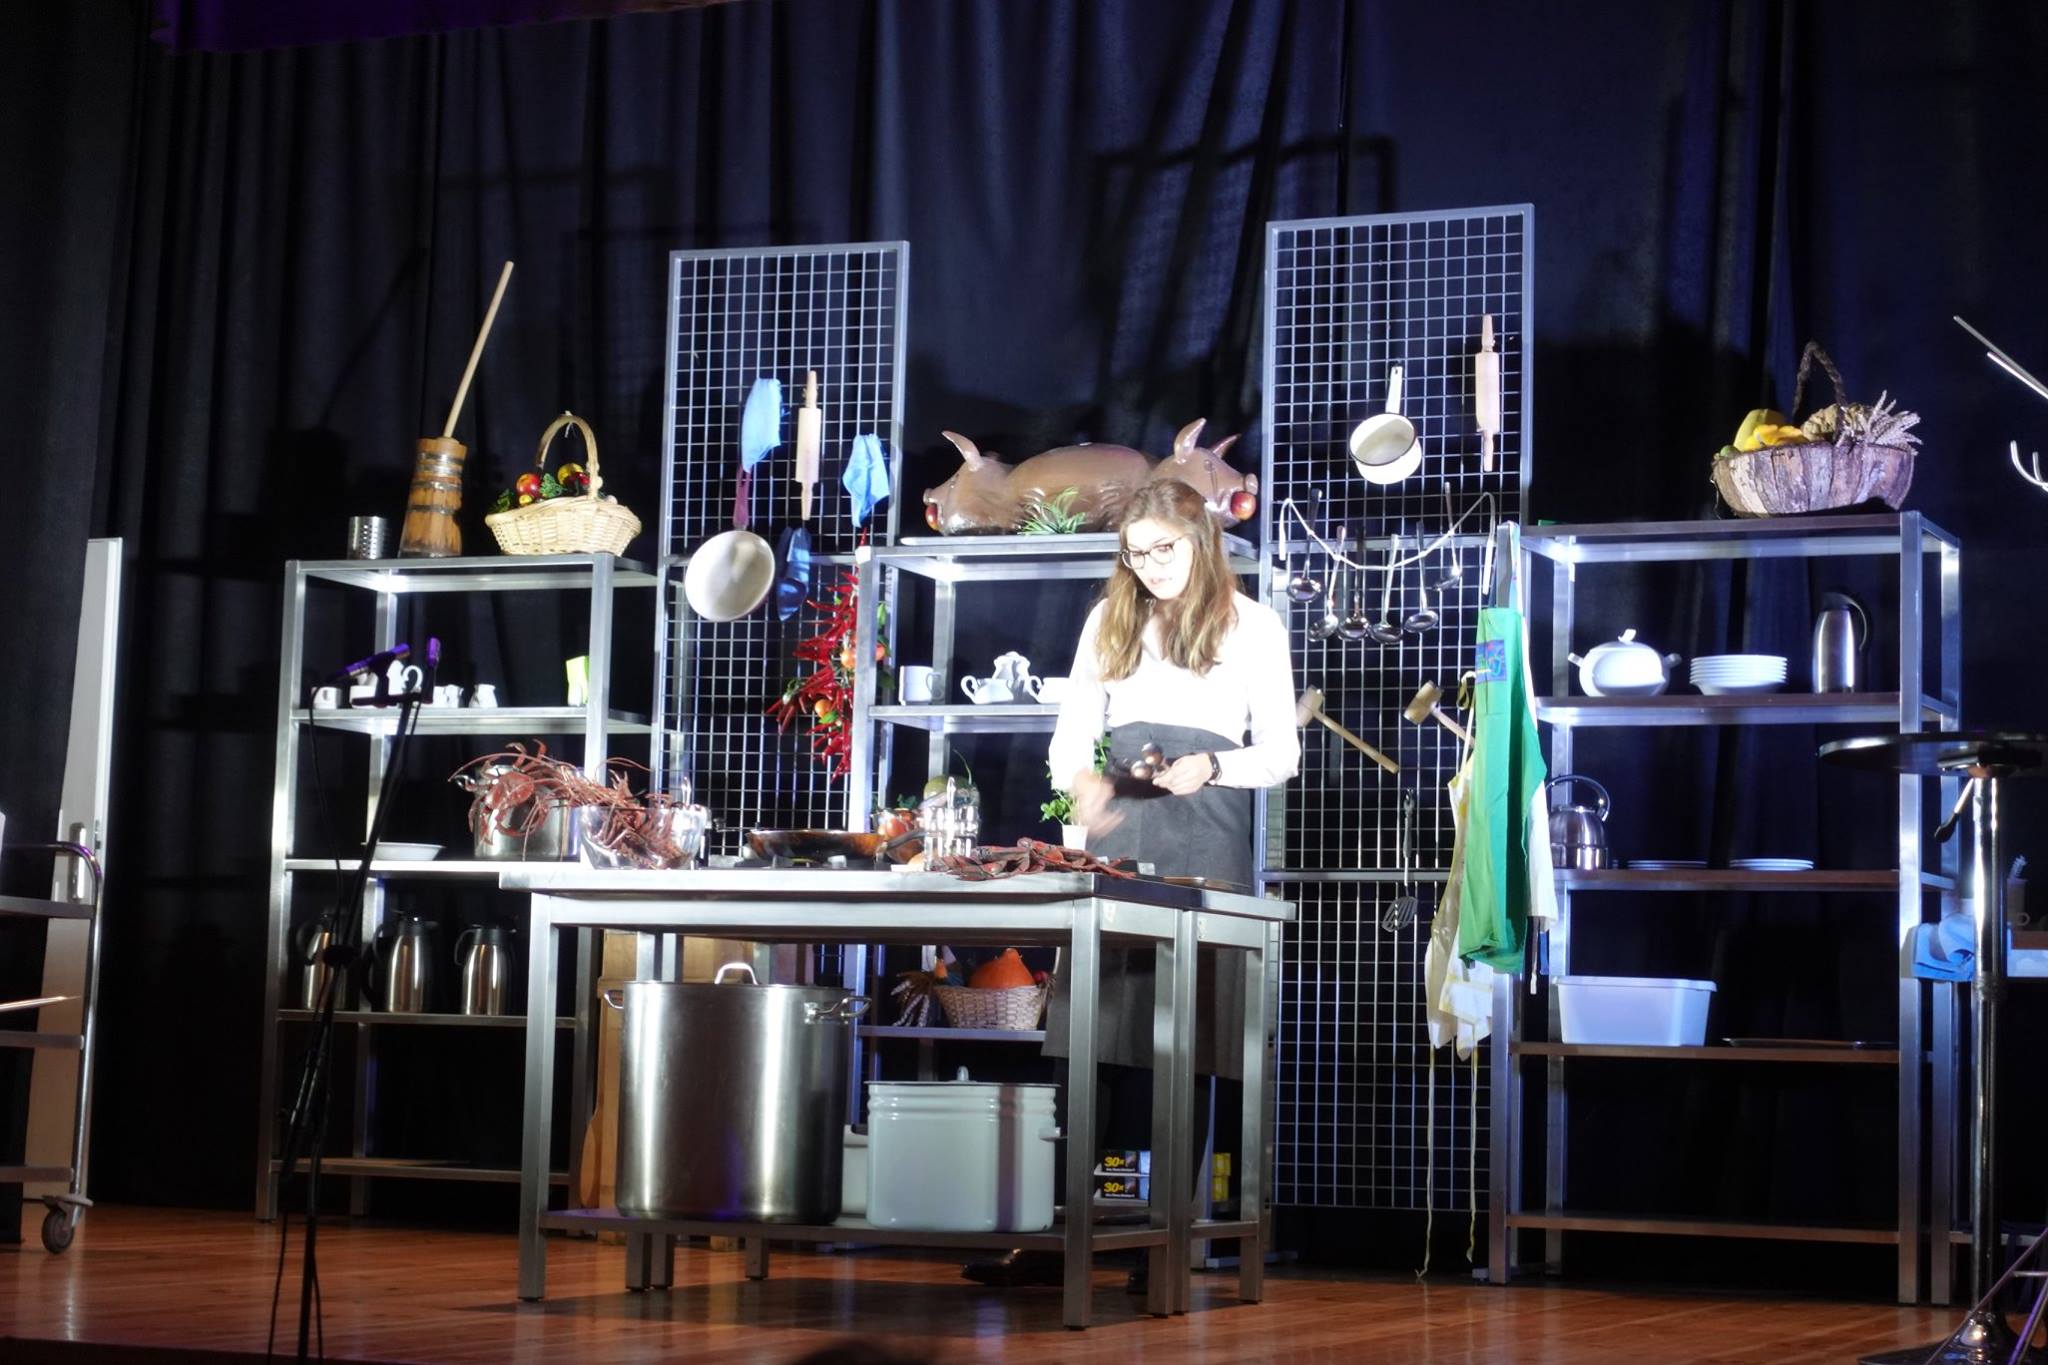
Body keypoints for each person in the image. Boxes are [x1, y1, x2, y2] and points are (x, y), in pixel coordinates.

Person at [962, 476, 1299, 1289]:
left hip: (1205, 844)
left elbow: (1281, 753)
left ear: (1201, 538)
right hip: (1114, 850)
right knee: (1093, 1045)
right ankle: (1066, 1232)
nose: (1150, 566)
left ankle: (1161, 1242)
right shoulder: (1108, 620)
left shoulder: (1253, 625)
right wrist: (1082, 782)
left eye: (1164, 549)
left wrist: (1213, 762)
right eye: (1136, 553)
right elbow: (1069, 739)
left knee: (1181, 1047)